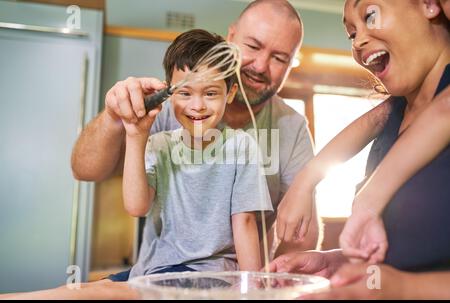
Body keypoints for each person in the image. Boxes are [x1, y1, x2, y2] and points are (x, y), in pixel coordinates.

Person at [71, 0, 320, 263]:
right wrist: (114, 118)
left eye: (279, 58)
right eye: (253, 46)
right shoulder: (163, 113)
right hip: (159, 275)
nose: (259, 65)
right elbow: (85, 170)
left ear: (292, 63)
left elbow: (301, 232)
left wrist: (266, 288)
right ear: (231, 37)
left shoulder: (292, 129)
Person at [271, 0, 450, 299]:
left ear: (430, 4)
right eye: (351, 34)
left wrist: (404, 289)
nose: (359, 41)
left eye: (371, 15)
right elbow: (407, 252)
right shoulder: (390, 123)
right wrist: (336, 263)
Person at [122, 29, 272, 276]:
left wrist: (252, 289)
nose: (198, 105)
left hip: (215, 274)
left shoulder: (241, 146)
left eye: (211, 93)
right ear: (169, 94)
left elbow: (244, 222)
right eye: (185, 93)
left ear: (230, 93)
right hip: (156, 271)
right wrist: (135, 136)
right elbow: (137, 207)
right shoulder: (158, 145)